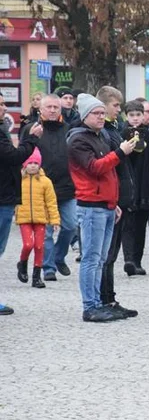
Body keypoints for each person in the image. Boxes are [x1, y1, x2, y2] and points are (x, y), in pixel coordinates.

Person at [68, 93, 137, 322]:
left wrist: (114, 202)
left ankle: (99, 302)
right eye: (96, 113)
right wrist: (120, 152)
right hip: (91, 206)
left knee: (100, 259)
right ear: (85, 115)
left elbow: (110, 175)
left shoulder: (99, 136)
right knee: (91, 257)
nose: (101, 117)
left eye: (101, 113)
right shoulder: (78, 139)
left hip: (105, 205)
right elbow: (95, 168)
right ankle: (90, 306)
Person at [20, 94, 75, 281]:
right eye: (49, 107)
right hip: (40, 189)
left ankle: (59, 257)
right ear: (40, 109)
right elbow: (23, 155)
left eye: (56, 107)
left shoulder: (69, 129)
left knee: (71, 226)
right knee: (46, 233)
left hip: (67, 187)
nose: (52, 110)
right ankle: (48, 267)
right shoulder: (31, 129)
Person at [119, 100, 149, 277]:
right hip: (128, 185)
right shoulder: (121, 135)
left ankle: (137, 260)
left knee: (141, 224)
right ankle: (128, 259)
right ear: (126, 116)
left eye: (138, 115)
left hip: (146, 185)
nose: (135, 118)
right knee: (127, 224)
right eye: (132, 115)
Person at [0, 96, 37, 314]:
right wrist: (31, 139)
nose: (4, 108)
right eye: (0, 104)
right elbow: (13, 156)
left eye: (4, 103)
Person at [15, 148, 60, 288]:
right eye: (30, 162)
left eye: (36, 162)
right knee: (28, 244)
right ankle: (22, 263)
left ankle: (36, 276)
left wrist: (55, 220)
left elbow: (51, 202)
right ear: (24, 164)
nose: (33, 165)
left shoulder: (46, 182)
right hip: (24, 218)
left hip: (41, 219)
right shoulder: (18, 180)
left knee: (40, 246)